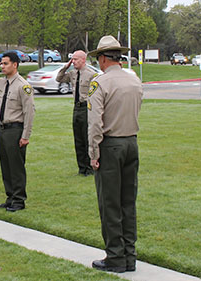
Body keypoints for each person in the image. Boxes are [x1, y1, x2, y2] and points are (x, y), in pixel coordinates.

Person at [87, 35, 143, 274]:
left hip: (110, 146)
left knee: (110, 204)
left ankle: (115, 257)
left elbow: (95, 123)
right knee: (128, 203)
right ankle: (129, 255)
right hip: (131, 141)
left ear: (102, 59)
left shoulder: (100, 83)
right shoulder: (134, 81)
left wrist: (93, 152)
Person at [0, 51, 35, 212]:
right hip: (3, 130)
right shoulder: (2, 83)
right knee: (5, 166)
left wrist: (25, 136)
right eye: (1, 63)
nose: (2, 66)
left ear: (15, 64)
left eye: (5, 63)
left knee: (16, 167)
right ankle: (10, 197)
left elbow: (29, 112)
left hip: (15, 130)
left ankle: (19, 200)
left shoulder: (23, 86)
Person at [57, 50, 99, 176]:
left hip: (87, 108)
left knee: (87, 138)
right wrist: (66, 66)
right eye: (72, 59)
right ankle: (81, 168)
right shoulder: (72, 73)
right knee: (78, 139)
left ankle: (89, 168)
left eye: (75, 59)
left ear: (83, 60)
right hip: (76, 108)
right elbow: (59, 78)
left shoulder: (92, 75)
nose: (73, 61)